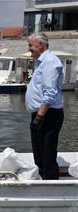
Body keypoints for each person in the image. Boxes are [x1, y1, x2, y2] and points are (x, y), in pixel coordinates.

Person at [26, 33, 64, 180]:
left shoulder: (50, 62)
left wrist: (40, 116)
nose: (29, 48)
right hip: (40, 114)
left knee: (47, 153)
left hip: (48, 114)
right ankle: (42, 181)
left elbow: (50, 93)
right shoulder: (39, 62)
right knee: (39, 153)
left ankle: (51, 184)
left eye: (31, 45)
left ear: (40, 45)